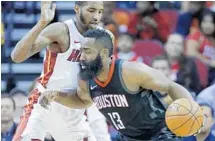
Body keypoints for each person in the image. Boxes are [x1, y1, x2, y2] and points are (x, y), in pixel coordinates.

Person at [40, 29, 201, 141]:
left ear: (103, 53)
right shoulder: (85, 78)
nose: (81, 56)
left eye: (87, 51)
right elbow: (83, 100)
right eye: (81, 51)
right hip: (127, 137)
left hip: (158, 134)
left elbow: (171, 86)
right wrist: (57, 96)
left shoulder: (130, 71)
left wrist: (193, 113)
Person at [11, 1, 111, 141]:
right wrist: (42, 23)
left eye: (100, 12)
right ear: (77, 8)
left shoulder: (104, 38)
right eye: (91, 10)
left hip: (73, 105)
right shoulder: (61, 30)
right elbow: (16, 57)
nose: (96, 16)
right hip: (44, 102)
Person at [186, 11, 215, 86]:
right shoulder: (197, 35)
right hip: (197, 73)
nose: (208, 25)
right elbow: (191, 53)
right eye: (205, 22)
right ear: (200, 23)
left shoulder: (213, 39)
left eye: (211, 22)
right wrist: (208, 62)